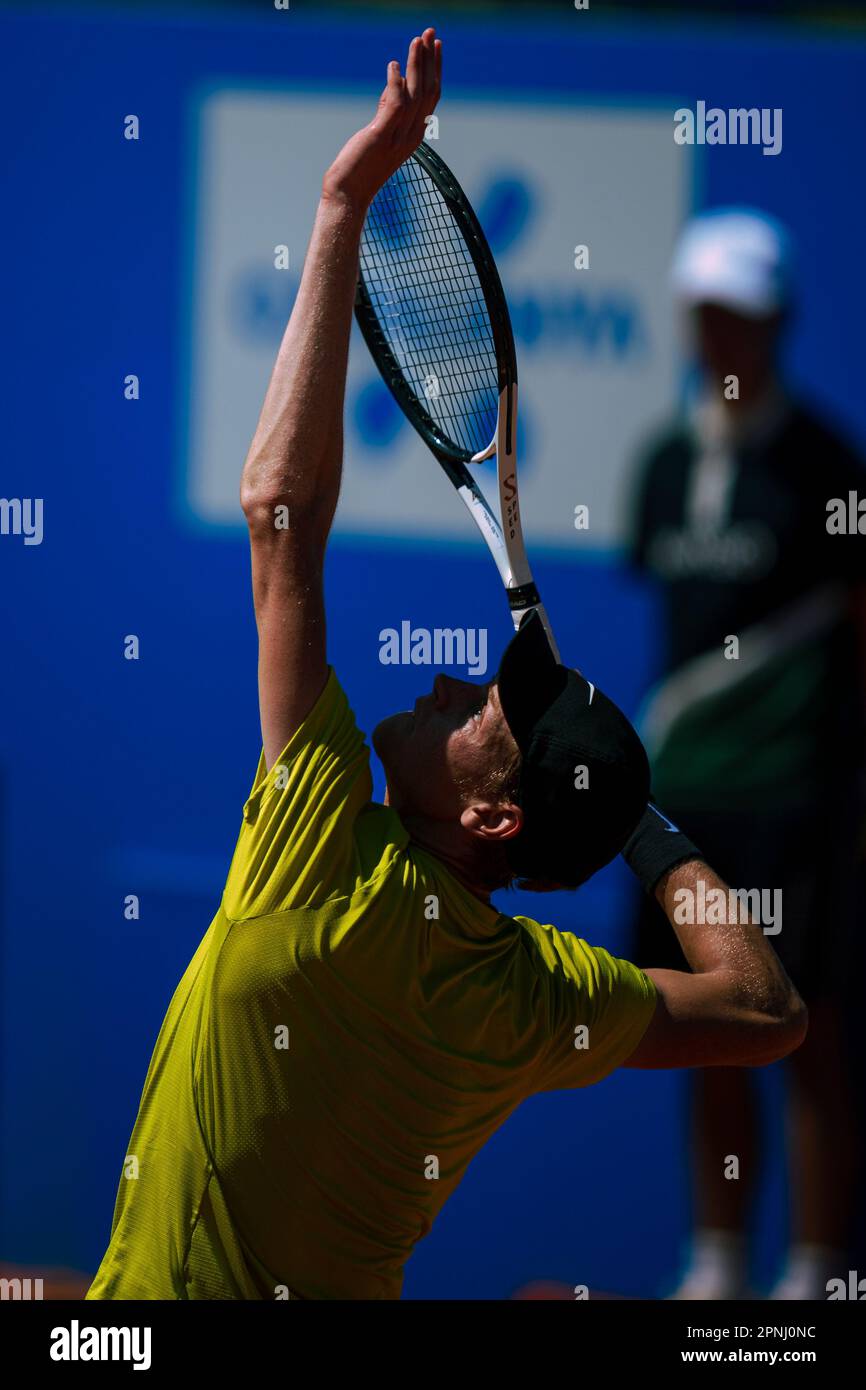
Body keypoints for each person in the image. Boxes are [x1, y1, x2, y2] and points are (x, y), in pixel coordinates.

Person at [86, 34, 805, 1301]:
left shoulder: (320, 849)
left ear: (489, 811)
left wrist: (338, 211)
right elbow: (764, 1010)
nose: (445, 685)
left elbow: (280, 522)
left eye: (483, 709)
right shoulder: (537, 997)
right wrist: (630, 820)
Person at [629, 208, 865, 1300]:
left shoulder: (829, 466)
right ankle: (715, 1267)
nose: (717, 334)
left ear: (775, 322)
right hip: (687, 811)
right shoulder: (665, 463)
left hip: (797, 805)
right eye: (702, 314)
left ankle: (815, 1275)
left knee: (808, 1033)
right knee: (705, 1030)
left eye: (738, 314)